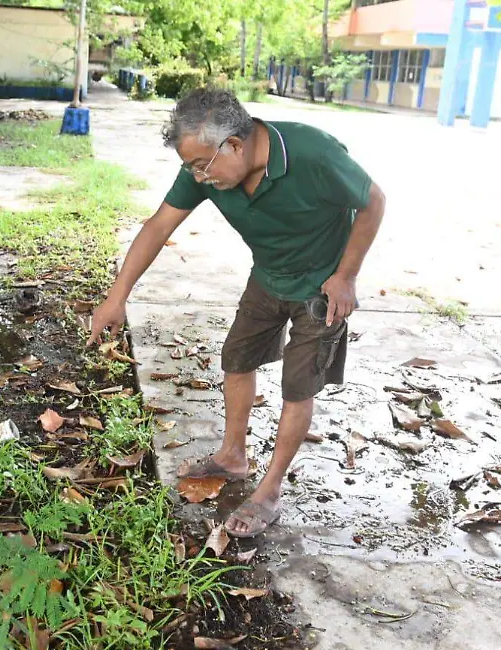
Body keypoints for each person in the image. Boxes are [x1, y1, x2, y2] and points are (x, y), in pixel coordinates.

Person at [88, 88, 385, 537]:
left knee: (297, 388)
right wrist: (117, 296)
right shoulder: (206, 167)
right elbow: (158, 226)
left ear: (234, 144)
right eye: (191, 167)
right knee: (237, 359)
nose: (198, 177)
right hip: (268, 276)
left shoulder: (313, 152)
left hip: (321, 286)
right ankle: (233, 455)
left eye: (201, 165)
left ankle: (268, 491)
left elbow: (373, 201)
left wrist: (346, 275)